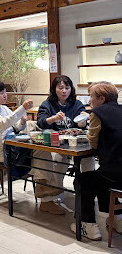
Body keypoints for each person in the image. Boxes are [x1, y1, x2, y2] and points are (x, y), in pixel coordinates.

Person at [34, 75, 94, 215]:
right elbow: (41, 122)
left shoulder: (76, 104)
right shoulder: (47, 104)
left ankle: (87, 193)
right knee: (57, 160)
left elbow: (81, 126)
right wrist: (54, 118)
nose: (64, 91)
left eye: (67, 88)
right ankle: (54, 195)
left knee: (88, 159)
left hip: (75, 143)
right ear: (54, 89)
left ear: (71, 89)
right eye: (60, 88)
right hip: (56, 144)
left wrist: (83, 119)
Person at [71, 81, 122, 240]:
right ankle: (117, 219)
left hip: (114, 173)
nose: (89, 100)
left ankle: (88, 225)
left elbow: (93, 142)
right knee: (101, 178)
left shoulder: (97, 113)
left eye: (91, 96)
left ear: (101, 98)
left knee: (83, 181)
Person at [0, 78, 32, 165]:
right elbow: (3, 124)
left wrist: (22, 122)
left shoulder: (4, 108)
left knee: (38, 150)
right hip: (1, 152)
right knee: (36, 154)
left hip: (12, 146)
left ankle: (39, 174)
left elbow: (16, 127)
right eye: (1, 93)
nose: (5, 95)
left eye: (5, 92)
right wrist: (22, 108)